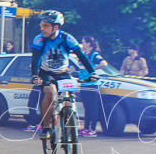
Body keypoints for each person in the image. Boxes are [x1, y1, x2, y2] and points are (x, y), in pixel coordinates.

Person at [30, 11, 97, 140]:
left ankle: (67, 119)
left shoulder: (67, 38)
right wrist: (35, 76)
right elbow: (34, 60)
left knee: (68, 99)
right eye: (41, 25)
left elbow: (81, 56)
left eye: (45, 26)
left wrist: (92, 72)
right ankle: (46, 127)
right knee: (49, 92)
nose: (42, 28)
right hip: (46, 73)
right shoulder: (39, 39)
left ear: (56, 27)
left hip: (63, 73)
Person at [79, 36, 109, 137]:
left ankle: (93, 129)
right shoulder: (83, 55)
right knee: (87, 108)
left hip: (92, 85)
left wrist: (93, 69)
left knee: (93, 108)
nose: (82, 44)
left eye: (83, 42)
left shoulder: (94, 55)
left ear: (89, 44)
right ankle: (86, 128)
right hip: (84, 84)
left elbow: (104, 63)